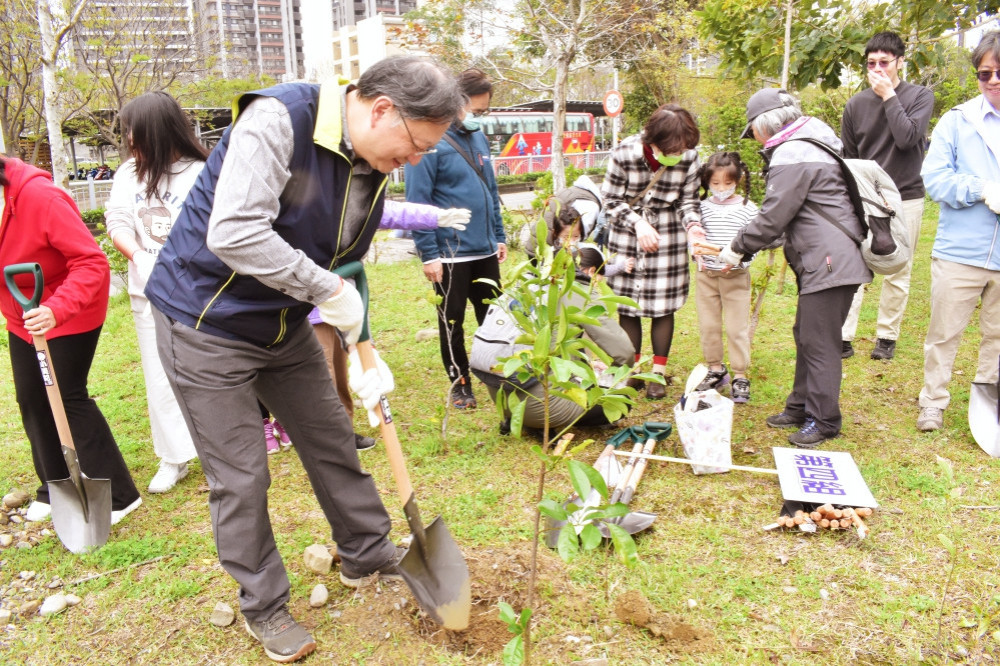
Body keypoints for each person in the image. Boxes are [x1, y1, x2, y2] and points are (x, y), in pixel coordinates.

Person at [143, 56, 464, 663]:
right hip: (205, 322)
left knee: (331, 439)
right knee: (241, 477)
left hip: (281, 323)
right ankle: (263, 604)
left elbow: (330, 245)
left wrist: (357, 344)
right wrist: (327, 290)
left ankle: (367, 551)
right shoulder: (279, 120)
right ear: (381, 110)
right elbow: (234, 232)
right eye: (415, 146)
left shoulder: (373, 157)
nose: (416, 161)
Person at [714, 89, 872, 448]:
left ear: (763, 125)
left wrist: (735, 249)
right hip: (825, 260)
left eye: (752, 129)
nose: (753, 136)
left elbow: (773, 217)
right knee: (806, 334)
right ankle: (799, 407)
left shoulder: (792, 153)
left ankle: (824, 420)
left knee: (820, 342)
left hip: (830, 262)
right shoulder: (809, 143)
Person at [0, 156, 142, 525]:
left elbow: (92, 262)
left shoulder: (40, 198)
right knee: (31, 397)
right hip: (22, 315)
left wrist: (56, 309)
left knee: (65, 394)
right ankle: (54, 485)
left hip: (70, 308)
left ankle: (120, 495)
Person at [105, 91, 208, 493]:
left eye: (133, 129)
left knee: (208, 372)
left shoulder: (200, 172)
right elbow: (116, 219)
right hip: (147, 293)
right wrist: (136, 254)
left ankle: (221, 448)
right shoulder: (128, 174)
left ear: (155, 129)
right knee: (159, 374)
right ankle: (173, 457)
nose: (129, 138)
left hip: (198, 293)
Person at [307, 199, 470, 452]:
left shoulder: (344, 194)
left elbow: (386, 212)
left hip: (345, 298)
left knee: (342, 375)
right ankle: (327, 443)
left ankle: (342, 432)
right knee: (322, 377)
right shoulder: (305, 198)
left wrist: (435, 217)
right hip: (310, 306)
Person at [406, 67, 507, 410]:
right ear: (455, 101)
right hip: (450, 254)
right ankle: (460, 383)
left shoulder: (477, 137)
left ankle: (497, 373)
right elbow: (417, 201)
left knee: (493, 317)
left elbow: (490, 189)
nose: (477, 117)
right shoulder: (430, 140)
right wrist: (429, 253)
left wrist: (499, 235)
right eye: (474, 110)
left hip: (485, 250)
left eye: (482, 112)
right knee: (452, 322)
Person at [916, 32, 1000, 432]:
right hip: (959, 252)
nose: (994, 80)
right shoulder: (957, 121)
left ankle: (990, 407)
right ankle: (933, 401)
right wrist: (980, 189)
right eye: (986, 73)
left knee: (998, 339)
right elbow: (933, 180)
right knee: (944, 333)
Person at [840, 31, 935, 361]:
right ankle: (844, 336)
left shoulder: (920, 96)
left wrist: (889, 97)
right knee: (855, 263)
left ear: (900, 62)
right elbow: (849, 157)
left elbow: (908, 138)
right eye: (871, 63)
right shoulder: (855, 105)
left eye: (885, 62)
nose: (878, 68)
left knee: (898, 268)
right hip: (867, 196)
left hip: (906, 195)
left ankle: (886, 337)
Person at [470, 250, 635, 434]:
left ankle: (524, 421)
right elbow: (624, 351)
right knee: (621, 402)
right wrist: (617, 377)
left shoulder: (524, 285)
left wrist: (586, 364)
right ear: (591, 272)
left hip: (505, 401)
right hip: (544, 407)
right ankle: (544, 424)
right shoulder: (578, 291)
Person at [601, 103, 702, 400]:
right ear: (652, 141)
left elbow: (688, 202)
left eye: (682, 149)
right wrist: (637, 223)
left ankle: (657, 372)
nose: (677, 155)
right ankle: (633, 372)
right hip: (627, 234)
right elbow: (610, 199)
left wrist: (694, 227)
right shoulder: (623, 153)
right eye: (672, 149)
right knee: (627, 306)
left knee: (663, 305)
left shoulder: (690, 158)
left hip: (667, 235)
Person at [691, 151, 759, 403]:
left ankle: (740, 374)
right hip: (706, 276)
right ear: (707, 182)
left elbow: (755, 243)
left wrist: (741, 260)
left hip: (736, 277)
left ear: (738, 181)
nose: (721, 189)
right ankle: (716, 369)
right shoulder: (702, 208)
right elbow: (695, 237)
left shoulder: (747, 209)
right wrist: (695, 252)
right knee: (708, 326)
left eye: (728, 184)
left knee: (736, 328)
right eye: (715, 184)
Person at [524, 174, 605, 258]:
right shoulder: (591, 206)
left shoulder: (577, 191)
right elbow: (578, 236)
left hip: (537, 243)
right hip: (547, 251)